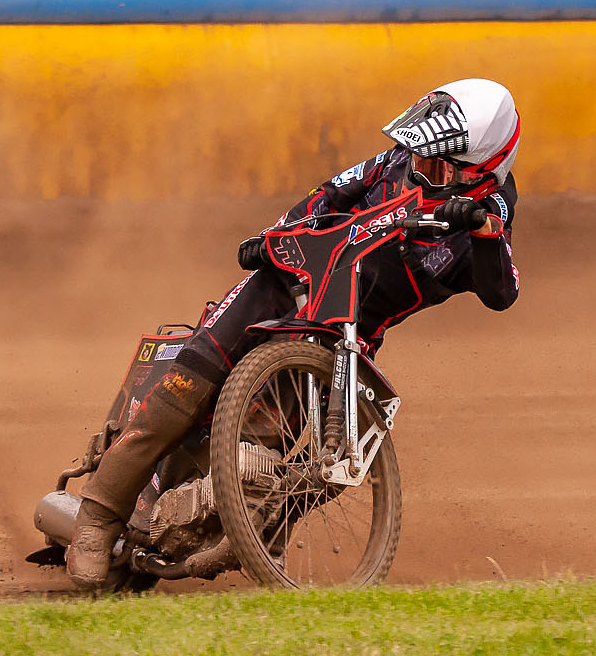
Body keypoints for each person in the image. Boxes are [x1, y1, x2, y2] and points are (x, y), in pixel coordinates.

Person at [67, 78, 525, 589]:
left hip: (345, 332)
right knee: (189, 379)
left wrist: (483, 233)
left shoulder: (491, 212)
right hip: (287, 280)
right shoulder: (395, 161)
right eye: (419, 155)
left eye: (437, 167)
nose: (418, 167)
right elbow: (328, 193)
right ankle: (98, 516)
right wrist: (272, 236)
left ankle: (236, 528)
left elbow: (502, 292)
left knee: (283, 443)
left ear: (482, 171)